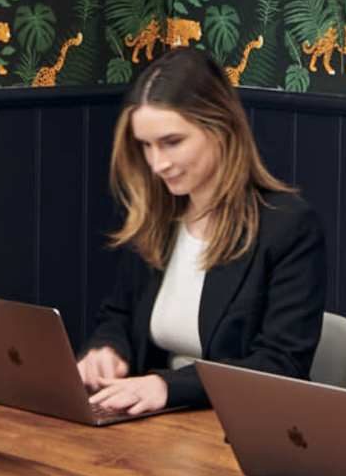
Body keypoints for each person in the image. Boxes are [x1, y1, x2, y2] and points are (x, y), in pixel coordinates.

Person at [75, 47, 328, 415]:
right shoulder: (157, 217)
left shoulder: (288, 226)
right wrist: (108, 350)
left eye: (172, 142)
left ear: (221, 128)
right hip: (154, 425)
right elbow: (119, 316)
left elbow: (279, 365)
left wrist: (169, 387)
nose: (157, 164)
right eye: (145, 146)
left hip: (240, 426)